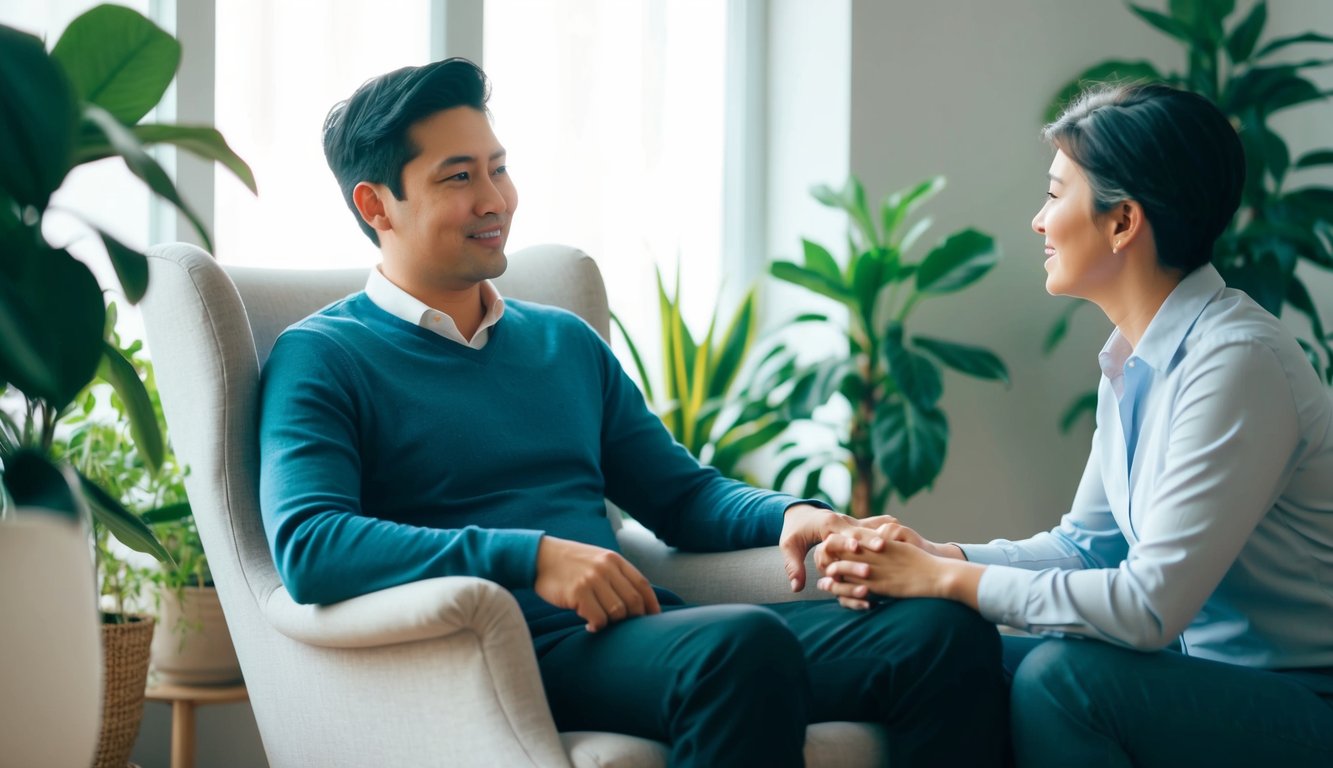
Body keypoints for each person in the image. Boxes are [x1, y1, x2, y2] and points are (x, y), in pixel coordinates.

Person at [257, 57, 1006, 766]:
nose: (495, 199)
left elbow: (680, 496)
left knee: (939, 629)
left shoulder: (560, 342)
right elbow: (313, 546)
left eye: (498, 167)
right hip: (497, 655)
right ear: (374, 203)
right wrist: (532, 555)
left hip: (636, 636)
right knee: (737, 648)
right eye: (459, 177)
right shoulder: (322, 356)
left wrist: (791, 515)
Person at [815, 82, 1333, 767]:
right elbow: (1087, 546)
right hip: (1202, 676)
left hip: (1299, 697)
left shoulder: (1236, 363)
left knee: (1061, 682)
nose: (1037, 220)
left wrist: (945, 580)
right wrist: (941, 557)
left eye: (1056, 194)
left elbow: (1146, 607)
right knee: (948, 647)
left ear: (1121, 223)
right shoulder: (1131, 359)